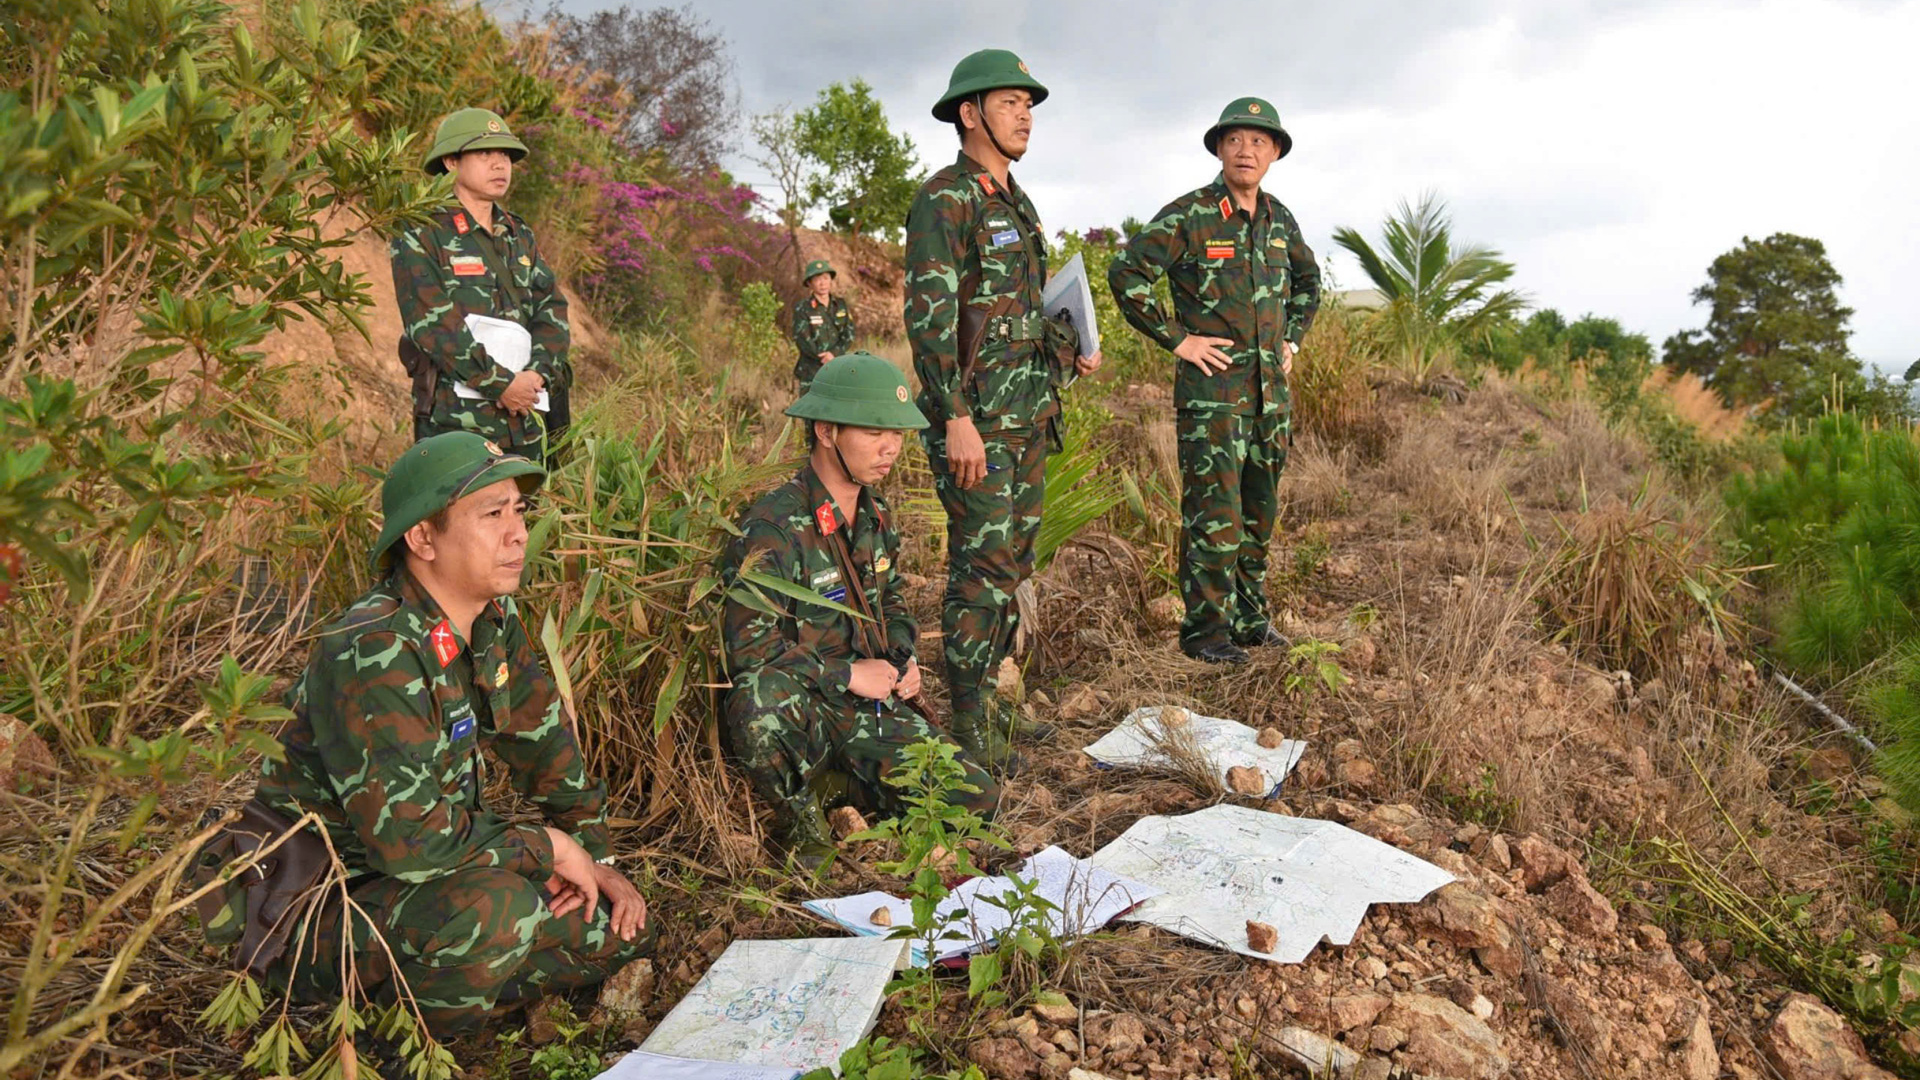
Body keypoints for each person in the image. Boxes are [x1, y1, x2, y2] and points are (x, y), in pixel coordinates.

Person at [254, 433, 651, 1036]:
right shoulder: (374, 649)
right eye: (493, 513)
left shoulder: (490, 616)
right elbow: (409, 842)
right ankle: (394, 1051)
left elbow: (542, 740)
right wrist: (547, 849)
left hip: (428, 884)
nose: (518, 533)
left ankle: (447, 983)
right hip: (314, 903)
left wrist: (594, 857)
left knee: (616, 930)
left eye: (519, 511)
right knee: (500, 912)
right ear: (422, 538)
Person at [720, 354, 1002, 868]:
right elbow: (750, 654)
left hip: (871, 707)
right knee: (756, 701)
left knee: (978, 802)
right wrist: (849, 674)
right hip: (806, 704)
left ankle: (841, 786)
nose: (890, 446)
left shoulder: (875, 513)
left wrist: (902, 658)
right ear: (826, 431)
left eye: (895, 432)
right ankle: (800, 821)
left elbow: (891, 601)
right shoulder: (772, 527)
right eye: (874, 430)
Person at [904, 48, 1101, 769]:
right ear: (970, 113)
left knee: (1011, 565)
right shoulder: (945, 200)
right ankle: (967, 724)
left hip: (1028, 417)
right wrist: (953, 415)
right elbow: (930, 319)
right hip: (977, 424)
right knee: (978, 570)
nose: (1025, 115)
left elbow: (1014, 314)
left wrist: (1070, 345)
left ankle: (989, 700)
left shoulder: (1018, 202)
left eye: (1029, 104)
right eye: (1010, 101)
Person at [1108, 97, 1323, 665]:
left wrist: (1293, 338)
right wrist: (1179, 339)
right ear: (1220, 149)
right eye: (1234, 140)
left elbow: (1309, 280)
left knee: (1259, 512)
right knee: (1214, 516)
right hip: (1214, 401)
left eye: (1258, 141)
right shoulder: (1192, 215)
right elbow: (1126, 274)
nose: (1245, 150)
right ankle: (1205, 634)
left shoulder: (1280, 220)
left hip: (1270, 399)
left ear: (1275, 153)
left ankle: (1250, 621)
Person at [393, 108, 571, 463]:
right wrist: (500, 384)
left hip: (526, 419)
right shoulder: (421, 231)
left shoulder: (518, 233)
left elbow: (552, 310)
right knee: (462, 515)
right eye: (484, 153)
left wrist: (535, 375)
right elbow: (432, 324)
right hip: (455, 423)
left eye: (505, 155)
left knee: (526, 516)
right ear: (450, 161)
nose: (499, 164)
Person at [790, 258, 856, 390]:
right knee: (810, 409)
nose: (823, 283)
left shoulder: (840, 305)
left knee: (837, 408)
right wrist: (823, 357)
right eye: (817, 279)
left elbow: (849, 334)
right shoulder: (802, 308)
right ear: (809, 283)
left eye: (826, 278)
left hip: (838, 369)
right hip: (811, 372)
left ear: (831, 280)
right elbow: (802, 339)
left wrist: (834, 354)